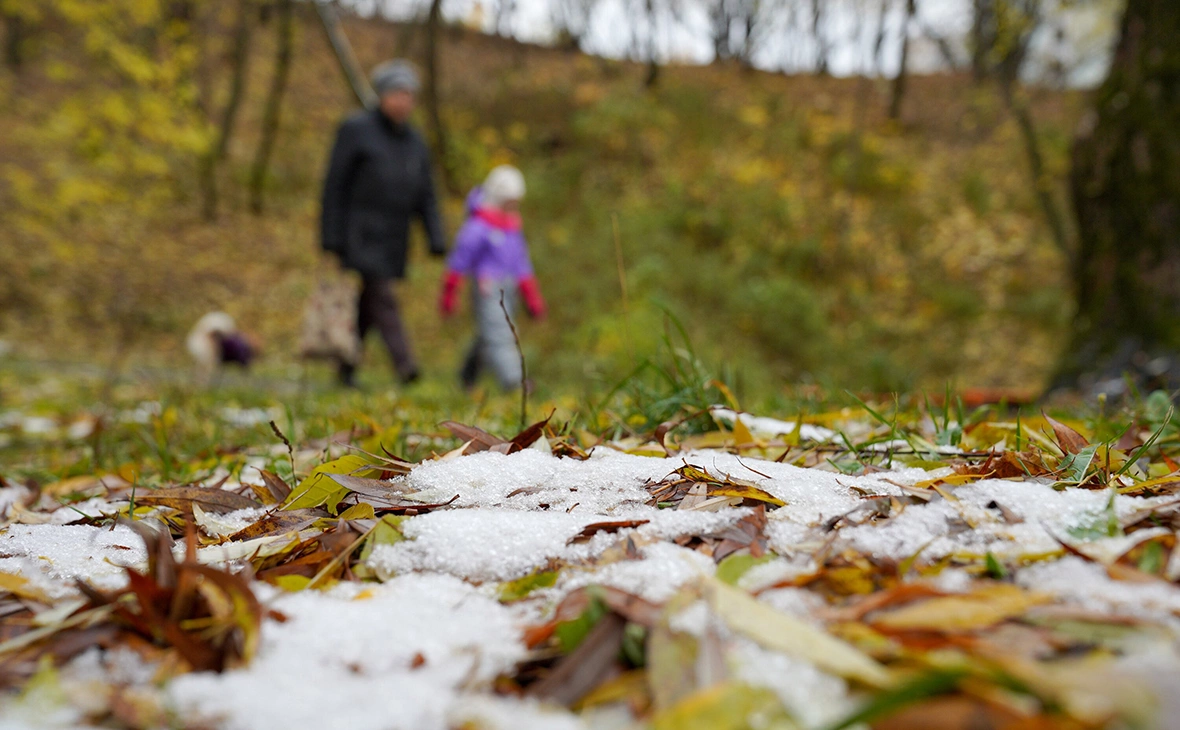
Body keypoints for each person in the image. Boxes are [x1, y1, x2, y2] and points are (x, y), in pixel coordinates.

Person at [320, 60, 445, 388]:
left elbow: (426, 193)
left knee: (369, 304)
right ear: (382, 95)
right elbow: (335, 185)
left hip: (394, 236)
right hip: (359, 232)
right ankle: (405, 364)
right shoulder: (356, 130)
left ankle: (346, 368)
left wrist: (435, 235)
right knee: (382, 295)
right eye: (397, 93)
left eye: (409, 95)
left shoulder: (415, 142)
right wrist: (331, 235)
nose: (404, 101)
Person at [439, 165, 545, 391]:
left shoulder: (512, 228)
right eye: (509, 203)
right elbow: (460, 258)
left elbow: (521, 263)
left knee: (488, 333)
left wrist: (531, 295)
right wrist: (450, 291)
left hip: (511, 288)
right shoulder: (478, 226)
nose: (513, 208)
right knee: (500, 332)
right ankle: (515, 382)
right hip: (488, 288)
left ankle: (467, 376)